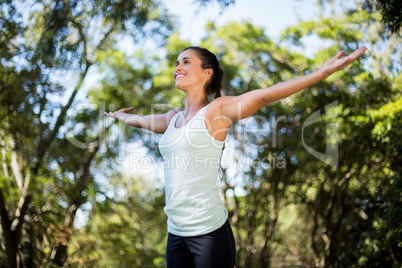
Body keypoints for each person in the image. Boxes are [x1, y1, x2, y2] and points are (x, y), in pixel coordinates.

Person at [105, 45, 367, 267]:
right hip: (175, 232)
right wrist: (120, 115)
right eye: (176, 63)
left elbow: (264, 95)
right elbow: (140, 121)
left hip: (208, 233)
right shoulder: (172, 118)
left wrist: (320, 73)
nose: (177, 67)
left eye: (186, 62)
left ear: (207, 73)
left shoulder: (216, 110)